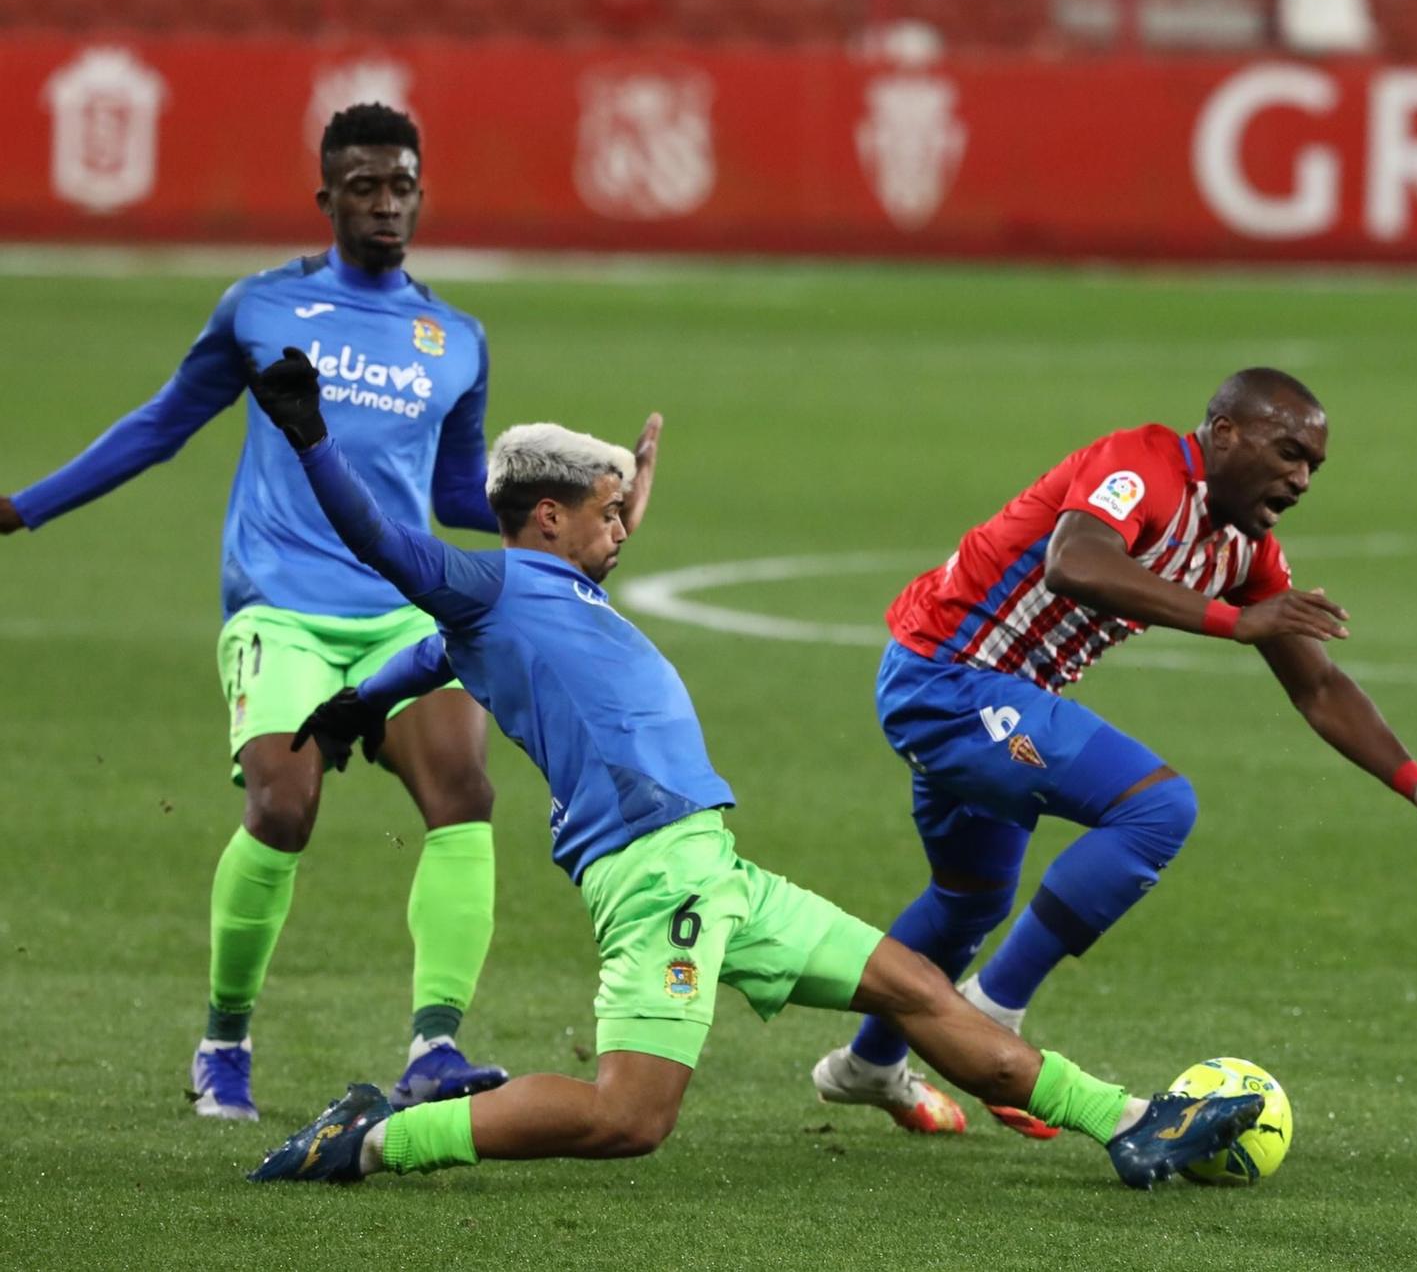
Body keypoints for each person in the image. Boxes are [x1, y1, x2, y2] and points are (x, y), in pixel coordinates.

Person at [237, 356, 1261, 1190]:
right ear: (545, 519)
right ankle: (372, 1138)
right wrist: (311, 437)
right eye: (606, 515)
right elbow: (381, 544)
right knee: (626, 1118)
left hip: (713, 868)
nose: (623, 530)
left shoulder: (532, 598)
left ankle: (1128, 1124)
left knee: (916, 990)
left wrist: (352, 707)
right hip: (653, 874)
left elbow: (429, 655)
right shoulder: (486, 585)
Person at [0, 104, 660, 1121]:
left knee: (464, 793)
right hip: (284, 608)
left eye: (401, 184)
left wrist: (588, 512)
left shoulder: (456, 339)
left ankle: (436, 1044)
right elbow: (161, 425)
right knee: (283, 805)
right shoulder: (260, 310)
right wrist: (23, 508)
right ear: (326, 197)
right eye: (364, 186)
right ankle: (224, 1039)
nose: (386, 203)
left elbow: (452, 500)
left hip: (402, 611)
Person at [810, 368, 1417, 1140]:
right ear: (1224, 434)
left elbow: (1317, 686)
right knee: (1156, 804)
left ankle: (869, 1064)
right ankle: (992, 1012)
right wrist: (1231, 622)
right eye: (1288, 452)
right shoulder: (1141, 465)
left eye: (1314, 464)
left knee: (970, 897)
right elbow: (1074, 560)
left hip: (992, 703)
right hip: (950, 679)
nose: (1302, 478)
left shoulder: (1247, 552)